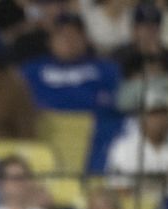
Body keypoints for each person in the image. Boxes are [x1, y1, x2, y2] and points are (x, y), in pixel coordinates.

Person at [19, 12, 124, 173]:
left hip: (94, 137)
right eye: (61, 35)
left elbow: (115, 107)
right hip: (47, 133)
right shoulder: (31, 70)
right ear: (50, 40)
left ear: (85, 39)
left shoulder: (106, 69)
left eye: (74, 34)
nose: (68, 40)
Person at [105, 87, 168, 177]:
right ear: (141, 117)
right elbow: (116, 187)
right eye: (153, 113)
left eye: (164, 112)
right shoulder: (122, 148)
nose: (159, 119)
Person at [110, 3, 168, 80]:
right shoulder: (121, 56)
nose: (150, 33)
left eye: (155, 28)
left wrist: (156, 57)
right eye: (145, 27)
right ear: (134, 30)